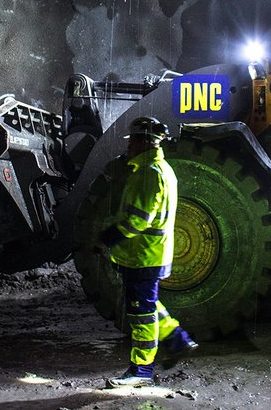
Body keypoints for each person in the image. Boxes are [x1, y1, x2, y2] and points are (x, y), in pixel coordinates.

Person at [95, 116, 197, 388]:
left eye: (133, 142)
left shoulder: (149, 173)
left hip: (143, 255)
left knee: (141, 314)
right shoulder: (161, 169)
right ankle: (177, 340)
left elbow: (139, 219)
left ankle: (141, 370)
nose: (128, 147)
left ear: (144, 142)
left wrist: (108, 238)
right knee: (148, 304)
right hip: (149, 254)